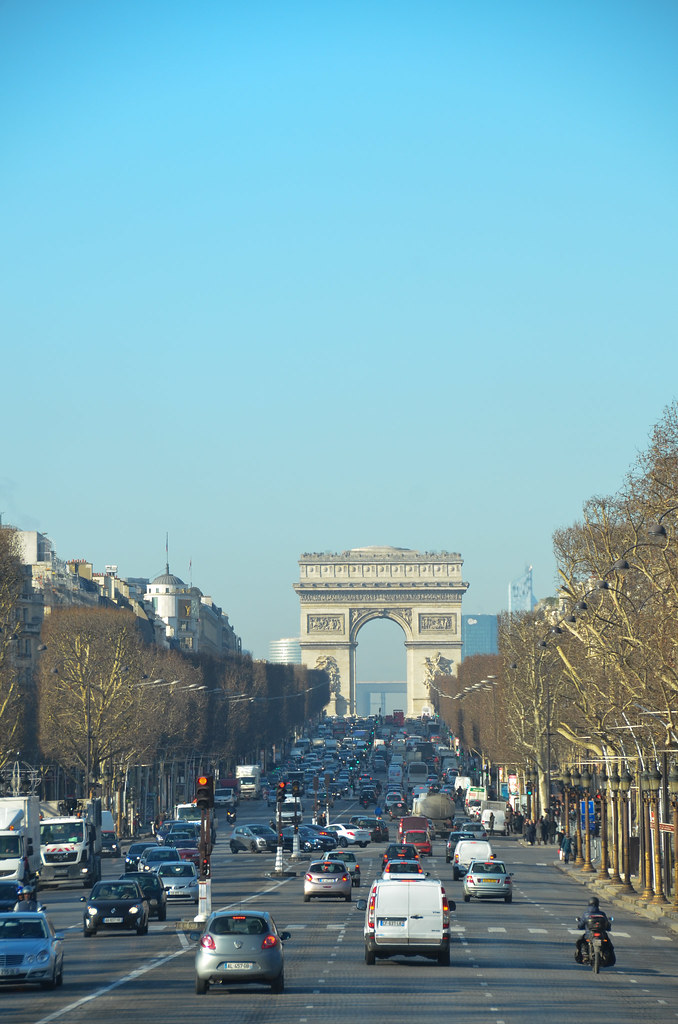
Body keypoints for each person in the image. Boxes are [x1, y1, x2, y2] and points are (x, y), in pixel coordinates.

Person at [575, 896, 613, 963]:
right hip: (602, 935)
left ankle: (585, 955)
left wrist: (579, 927)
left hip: (589, 934)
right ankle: (606, 954)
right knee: (608, 944)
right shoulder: (602, 914)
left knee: (582, 942)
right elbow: (607, 924)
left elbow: (580, 925)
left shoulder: (586, 914)